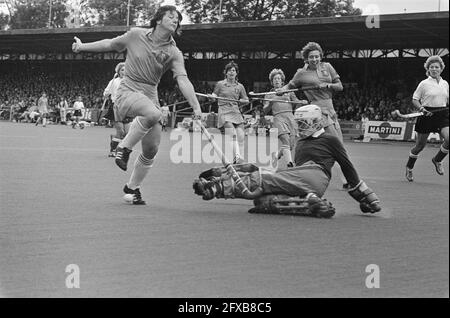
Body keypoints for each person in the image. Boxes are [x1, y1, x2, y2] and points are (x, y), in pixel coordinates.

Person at [72, 5, 202, 205]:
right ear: (158, 20)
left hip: (151, 94)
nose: (175, 20)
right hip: (128, 91)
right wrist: (82, 47)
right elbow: (110, 44)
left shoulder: (174, 52)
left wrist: (196, 106)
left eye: (178, 19)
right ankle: (123, 147)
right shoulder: (135, 35)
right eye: (171, 16)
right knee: (153, 114)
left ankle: (132, 189)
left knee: (152, 148)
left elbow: (182, 80)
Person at [193, 105, 381, 218]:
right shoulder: (301, 142)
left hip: (316, 174)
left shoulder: (330, 139)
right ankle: (306, 202)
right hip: (303, 178)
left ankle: (216, 188)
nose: (301, 127)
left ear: (316, 122)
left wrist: (368, 198)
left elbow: (349, 169)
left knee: (264, 178)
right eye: (299, 124)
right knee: (261, 196)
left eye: (305, 123)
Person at [277, 42, 348, 187]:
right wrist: (281, 90)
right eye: (311, 57)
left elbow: (340, 86)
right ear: (306, 59)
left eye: (317, 56)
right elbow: (289, 86)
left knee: (337, 145)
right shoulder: (301, 73)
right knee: (336, 145)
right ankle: (348, 180)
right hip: (315, 112)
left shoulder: (327, 67)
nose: (314, 59)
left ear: (320, 56)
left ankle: (342, 179)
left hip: (331, 111)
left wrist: (327, 85)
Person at [405, 55, 449, 181]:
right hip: (426, 114)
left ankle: (437, 160)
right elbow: (415, 99)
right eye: (431, 67)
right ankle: (409, 167)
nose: (434, 69)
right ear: (428, 69)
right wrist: (421, 109)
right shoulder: (424, 83)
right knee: (420, 146)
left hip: (442, 115)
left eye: (437, 67)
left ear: (441, 69)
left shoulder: (445, 83)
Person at [263, 68, 308, 168]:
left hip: (290, 118)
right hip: (278, 118)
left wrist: (301, 102)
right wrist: (270, 103)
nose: (277, 80)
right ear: (272, 81)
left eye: (279, 78)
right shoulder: (268, 94)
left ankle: (276, 156)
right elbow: (265, 110)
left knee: (290, 145)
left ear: (282, 81)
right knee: (285, 140)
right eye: (275, 79)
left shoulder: (289, 92)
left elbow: (296, 102)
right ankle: (290, 164)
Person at [210, 61, 249, 164]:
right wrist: (212, 97)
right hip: (224, 110)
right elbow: (214, 96)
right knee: (231, 133)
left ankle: (238, 159)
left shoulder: (240, 86)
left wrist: (243, 101)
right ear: (225, 72)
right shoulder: (220, 84)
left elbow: (246, 100)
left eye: (234, 70)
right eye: (230, 70)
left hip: (236, 111)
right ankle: (237, 156)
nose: (232, 72)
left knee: (240, 136)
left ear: (236, 73)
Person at [103, 62, 128, 157]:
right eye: (122, 70)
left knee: (127, 133)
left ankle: (114, 140)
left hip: (127, 107)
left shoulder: (130, 81)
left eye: (125, 69)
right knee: (121, 132)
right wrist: (106, 94)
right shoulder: (114, 81)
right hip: (115, 107)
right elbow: (105, 93)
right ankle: (113, 150)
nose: (124, 71)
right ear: (118, 71)